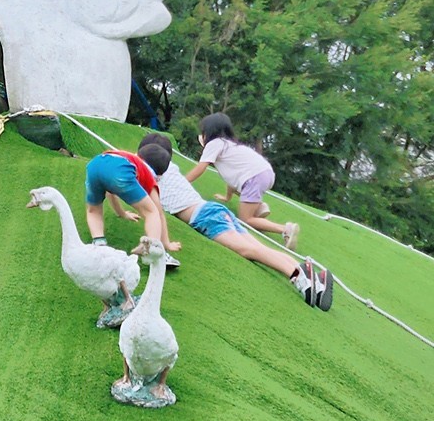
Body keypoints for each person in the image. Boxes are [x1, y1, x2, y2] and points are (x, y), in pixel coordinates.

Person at [137, 136, 331, 309]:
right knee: (257, 246)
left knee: (248, 250)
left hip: (206, 216)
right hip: (213, 210)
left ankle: (299, 279)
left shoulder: (153, 176)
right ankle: (309, 274)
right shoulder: (171, 168)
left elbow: (155, 210)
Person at [185, 113, 299, 250]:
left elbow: (200, 168)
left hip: (254, 178)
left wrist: (183, 181)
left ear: (208, 132)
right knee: (246, 192)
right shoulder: (230, 144)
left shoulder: (214, 144)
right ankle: (258, 206)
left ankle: (285, 229)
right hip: (265, 173)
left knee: (246, 219)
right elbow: (233, 177)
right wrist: (227, 197)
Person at [83, 147, 166, 249]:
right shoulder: (148, 174)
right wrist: (166, 243)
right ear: (159, 176)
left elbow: (110, 192)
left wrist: (122, 213)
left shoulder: (128, 157)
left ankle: (99, 241)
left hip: (95, 164)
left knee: (93, 210)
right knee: (152, 212)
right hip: (119, 168)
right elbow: (157, 210)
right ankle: (151, 247)